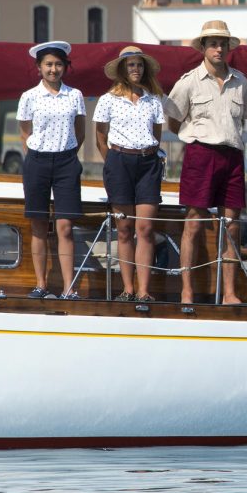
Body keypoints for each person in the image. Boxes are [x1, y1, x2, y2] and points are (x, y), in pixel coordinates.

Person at [166, 20, 247, 305]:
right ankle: (186, 289)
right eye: (212, 43)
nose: (218, 48)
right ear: (203, 47)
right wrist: (194, 136)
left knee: (232, 225)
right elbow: (173, 118)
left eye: (222, 43)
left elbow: (245, 117)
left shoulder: (241, 81)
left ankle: (229, 292)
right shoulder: (188, 82)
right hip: (200, 153)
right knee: (193, 223)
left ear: (228, 47)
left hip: (233, 156)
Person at [94, 46, 165, 303]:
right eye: (131, 65)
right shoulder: (108, 100)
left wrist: (146, 153)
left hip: (147, 162)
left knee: (145, 228)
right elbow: (100, 137)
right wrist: (114, 161)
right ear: (123, 69)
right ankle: (128, 288)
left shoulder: (153, 100)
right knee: (124, 228)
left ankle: (144, 290)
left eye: (139, 65)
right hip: (119, 162)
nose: (136, 69)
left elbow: (156, 135)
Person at [17, 41, 86, 300]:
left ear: (65, 67)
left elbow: (80, 131)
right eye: (48, 64)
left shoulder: (75, 95)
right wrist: (38, 157)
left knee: (65, 226)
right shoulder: (29, 97)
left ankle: (69, 287)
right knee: (38, 224)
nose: (53, 69)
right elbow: (25, 133)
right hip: (37, 162)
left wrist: (66, 153)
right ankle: (41, 284)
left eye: (58, 64)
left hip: (67, 162)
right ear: (39, 67)